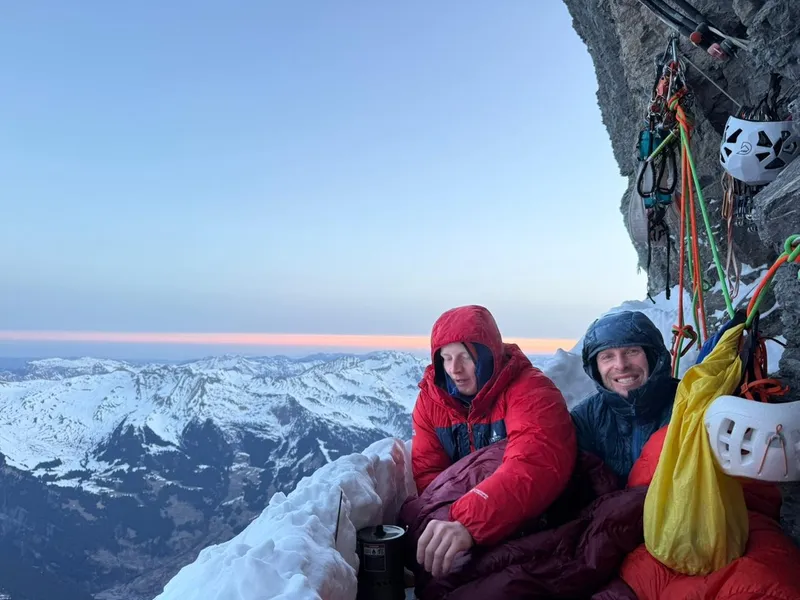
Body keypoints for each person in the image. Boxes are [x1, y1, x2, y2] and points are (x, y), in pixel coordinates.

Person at [410, 304, 577, 578]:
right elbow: (431, 478)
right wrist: (443, 528)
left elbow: (535, 463)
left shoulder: (531, 391)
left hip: (531, 517)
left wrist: (467, 522)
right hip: (469, 523)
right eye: (446, 358)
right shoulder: (433, 402)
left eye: (465, 356)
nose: (455, 369)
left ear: (489, 355)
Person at [570, 310, 678, 482]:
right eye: (607, 356)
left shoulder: (687, 404)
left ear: (653, 357)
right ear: (595, 367)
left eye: (632, 351)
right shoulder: (585, 419)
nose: (621, 365)